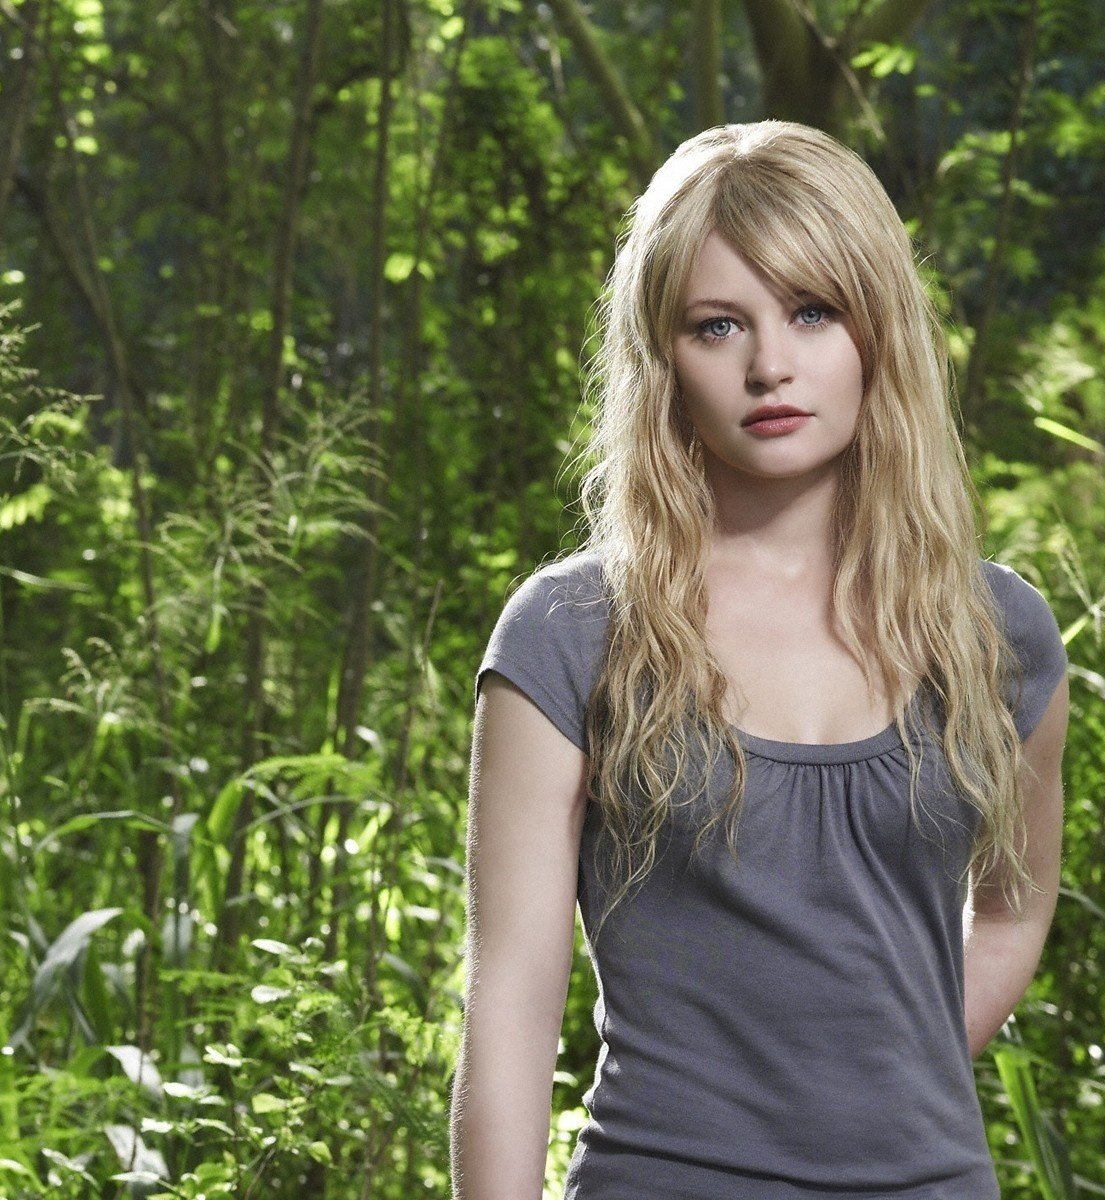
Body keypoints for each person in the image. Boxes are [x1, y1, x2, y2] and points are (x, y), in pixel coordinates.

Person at [448, 120, 1071, 1198]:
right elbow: (509, 1004)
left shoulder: (999, 637)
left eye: (813, 312)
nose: (771, 364)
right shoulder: (570, 635)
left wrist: (869, 1093)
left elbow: (1012, 908)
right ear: (664, 357)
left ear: (880, 330)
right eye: (717, 324)